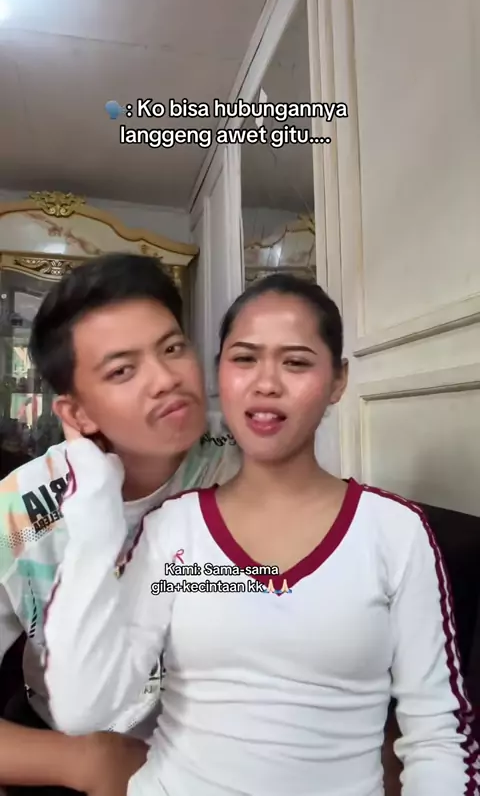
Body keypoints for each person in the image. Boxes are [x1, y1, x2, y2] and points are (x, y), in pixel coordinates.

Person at [43, 272, 478, 796]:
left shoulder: (394, 531)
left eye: (296, 362)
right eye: (244, 359)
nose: (266, 383)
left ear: (337, 381)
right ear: (219, 373)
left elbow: (437, 736)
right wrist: (94, 507)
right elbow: (84, 708)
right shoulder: (175, 530)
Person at [0, 254, 240, 794]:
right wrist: (88, 762)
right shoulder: (20, 513)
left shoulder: (250, 463)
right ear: (77, 415)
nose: (167, 379)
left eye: (172, 348)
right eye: (122, 371)